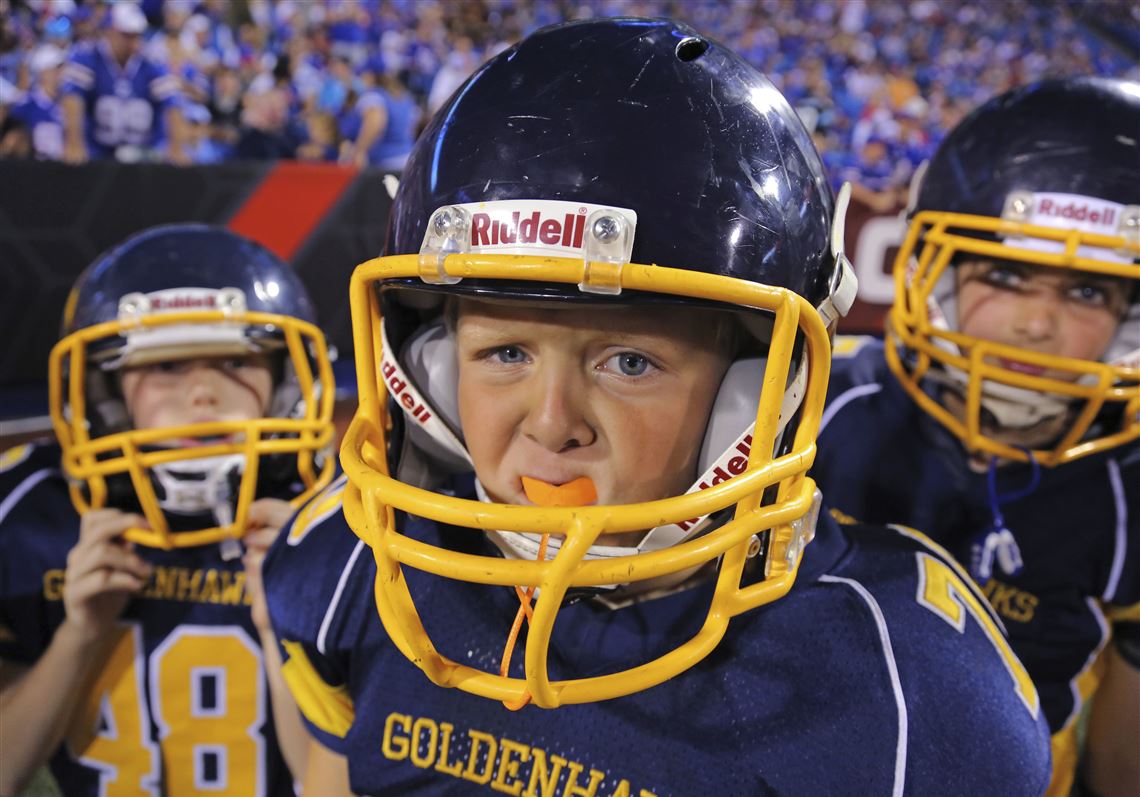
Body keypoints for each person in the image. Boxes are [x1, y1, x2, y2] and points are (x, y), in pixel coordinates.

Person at [264, 19, 1052, 796]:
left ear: (753, 395)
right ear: (430, 371)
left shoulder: (897, 684)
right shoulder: (357, 563)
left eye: (628, 362)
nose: (550, 422)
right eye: (506, 353)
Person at [811, 77, 1139, 797]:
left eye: (1086, 290)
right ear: (940, 276)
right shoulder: (823, 405)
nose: (1036, 323)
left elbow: (1121, 767)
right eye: (1004, 274)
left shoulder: (1127, 485)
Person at [0, 225, 337, 795]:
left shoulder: (334, 520)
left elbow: (331, 786)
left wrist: (289, 629)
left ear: (285, 384)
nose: (203, 393)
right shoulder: (34, 508)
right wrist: (77, 635)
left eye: (234, 363)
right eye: (166, 367)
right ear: (106, 396)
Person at [59, 2, 190, 165]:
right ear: (111, 32)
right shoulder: (87, 56)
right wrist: (74, 144)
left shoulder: (151, 61)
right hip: (97, 152)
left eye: (136, 35)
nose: (133, 42)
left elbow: (173, 103)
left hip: (143, 154)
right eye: (127, 35)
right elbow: (72, 97)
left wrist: (176, 148)